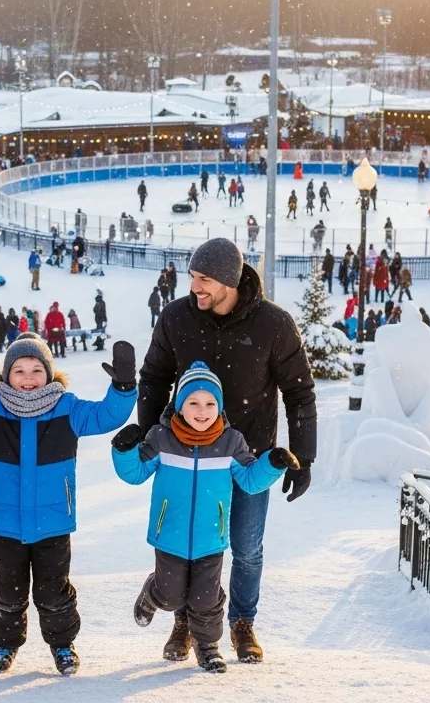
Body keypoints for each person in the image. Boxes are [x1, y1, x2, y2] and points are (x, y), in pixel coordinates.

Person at [137, 237, 316, 664]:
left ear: (228, 281)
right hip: (189, 458)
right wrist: (147, 438)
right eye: (193, 277)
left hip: (247, 457)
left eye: (203, 279)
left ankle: (241, 622)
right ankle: (185, 620)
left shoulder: (273, 324)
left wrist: (303, 456)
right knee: (187, 544)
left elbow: (299, 391)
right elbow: (154, 377)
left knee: (247, 547)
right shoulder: (177, 317)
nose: (193, 286)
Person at [0, 331, 136, 675]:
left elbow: (107, 416)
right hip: (6, 523)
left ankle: (63, 644)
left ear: (49, 374)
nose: (27, 378)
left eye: (36, 370)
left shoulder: (66, 409)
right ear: (6, 375)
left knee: (53, 592)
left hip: (53, 522)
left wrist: (124, 386)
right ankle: (5, 644)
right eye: (19, 370)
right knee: (8, 592)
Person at [114, 363, 294, 673]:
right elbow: (135, 473)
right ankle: (152, 593)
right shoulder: (162, 438)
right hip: (169, 535)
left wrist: (273, 463)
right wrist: (124, 450)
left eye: (211, 403)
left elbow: (251, 480)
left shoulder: (230, 442)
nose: (202, 410)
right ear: (180, 406)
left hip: (211, 538)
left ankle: (207, 647)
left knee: (205, 599)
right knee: (171, 596)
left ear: (220, 407)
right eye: (193, 402)